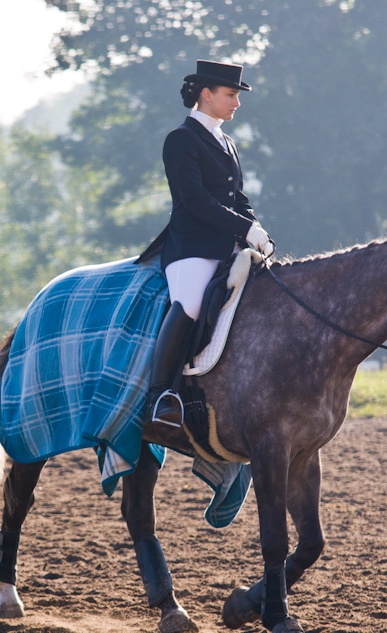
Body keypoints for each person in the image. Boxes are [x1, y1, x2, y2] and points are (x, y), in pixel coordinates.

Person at [137, 59, 273, 427]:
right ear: (206, 94)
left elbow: (237, 198)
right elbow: (194, 200)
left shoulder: (227, 142)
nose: (237, 103)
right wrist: (244, 230)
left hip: (229, 244)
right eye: (231, 95)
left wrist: (256, 228)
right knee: (190, 305)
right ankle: (160, 396)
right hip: (192, 247)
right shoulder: (181, 140)